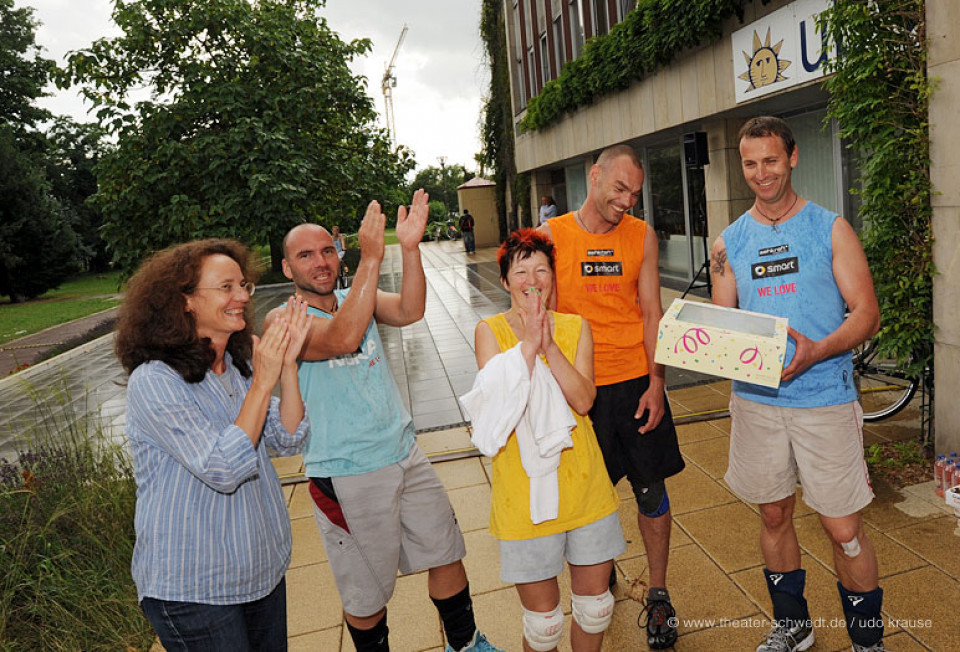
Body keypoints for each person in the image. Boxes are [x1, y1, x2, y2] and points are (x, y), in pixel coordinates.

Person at [267, 190, 502, 652]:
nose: (321, 261)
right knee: (366, 592)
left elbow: (411, 310)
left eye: (327, 250)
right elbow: (341, 338)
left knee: (447, 552)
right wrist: (372, 260)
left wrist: (410, 249)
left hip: (404, 453)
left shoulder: (353, 297)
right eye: (305, 255)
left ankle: (466, 644)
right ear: (287, 268)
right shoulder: (284, 320)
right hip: (346, 473)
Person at [711, 116, 884, 652]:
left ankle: (867, 639)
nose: (761, 173)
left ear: (792, 157)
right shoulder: (728, 242)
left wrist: (816, 350)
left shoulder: (830, 228)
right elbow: (726, 326)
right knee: (773, 512)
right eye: (750, 163)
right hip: (758, 405)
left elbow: (866, 314)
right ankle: (794, 624)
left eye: (770, 160)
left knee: (842, 529)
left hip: (824, 400)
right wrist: (702, 340)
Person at [116, 239, 312, 650]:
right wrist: (263, 382)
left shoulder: (235, 371)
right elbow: (223, 467)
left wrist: (288, 369)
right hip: (194, 589)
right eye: (226, 287)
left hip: (259, 574)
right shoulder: (154, 382)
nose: (242, 296)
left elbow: (289, 436)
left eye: (243, 286)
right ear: (186, 300)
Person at [540, 144, 685, 650]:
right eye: (619, 189)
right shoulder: (551, 237)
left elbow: (651, 311)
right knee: (588, 499)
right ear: (594, 176)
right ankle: (597, 571)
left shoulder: (640, 236)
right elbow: (545, 321)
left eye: (635, 193)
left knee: (651, 492)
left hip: (634, 384)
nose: (627, 201)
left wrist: (658, 382)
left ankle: (660, 594)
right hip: (579, 389)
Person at [464, 228, 625, 652]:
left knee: (596, 608)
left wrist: (549, 347)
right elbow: (500, 411)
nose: (532, 278)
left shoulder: (575, 328)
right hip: (523, 493)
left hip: (585, 485)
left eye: (541, 268)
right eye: (521, 270)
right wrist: (528, 346)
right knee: (544, 625)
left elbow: (584, 399)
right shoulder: (489, 332)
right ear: (505, 281)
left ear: (554, 277)